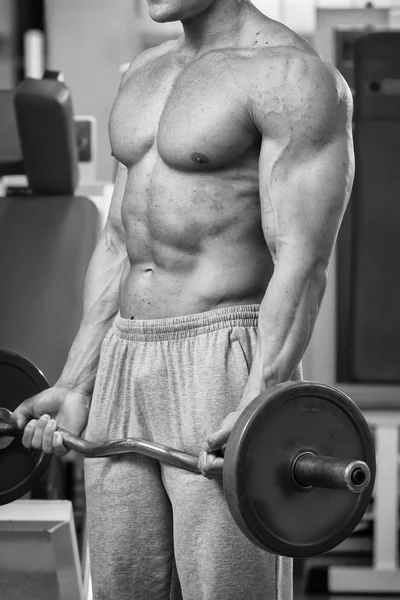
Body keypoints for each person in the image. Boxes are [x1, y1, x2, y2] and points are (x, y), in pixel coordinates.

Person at [13, 0, 355, 598]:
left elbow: (302, 259)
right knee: (121, 587)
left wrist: (259, 399)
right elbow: (120, 240)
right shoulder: (143, 73)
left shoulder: (291, 77)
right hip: (125, 356)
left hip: (221, 358)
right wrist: (76, 381)